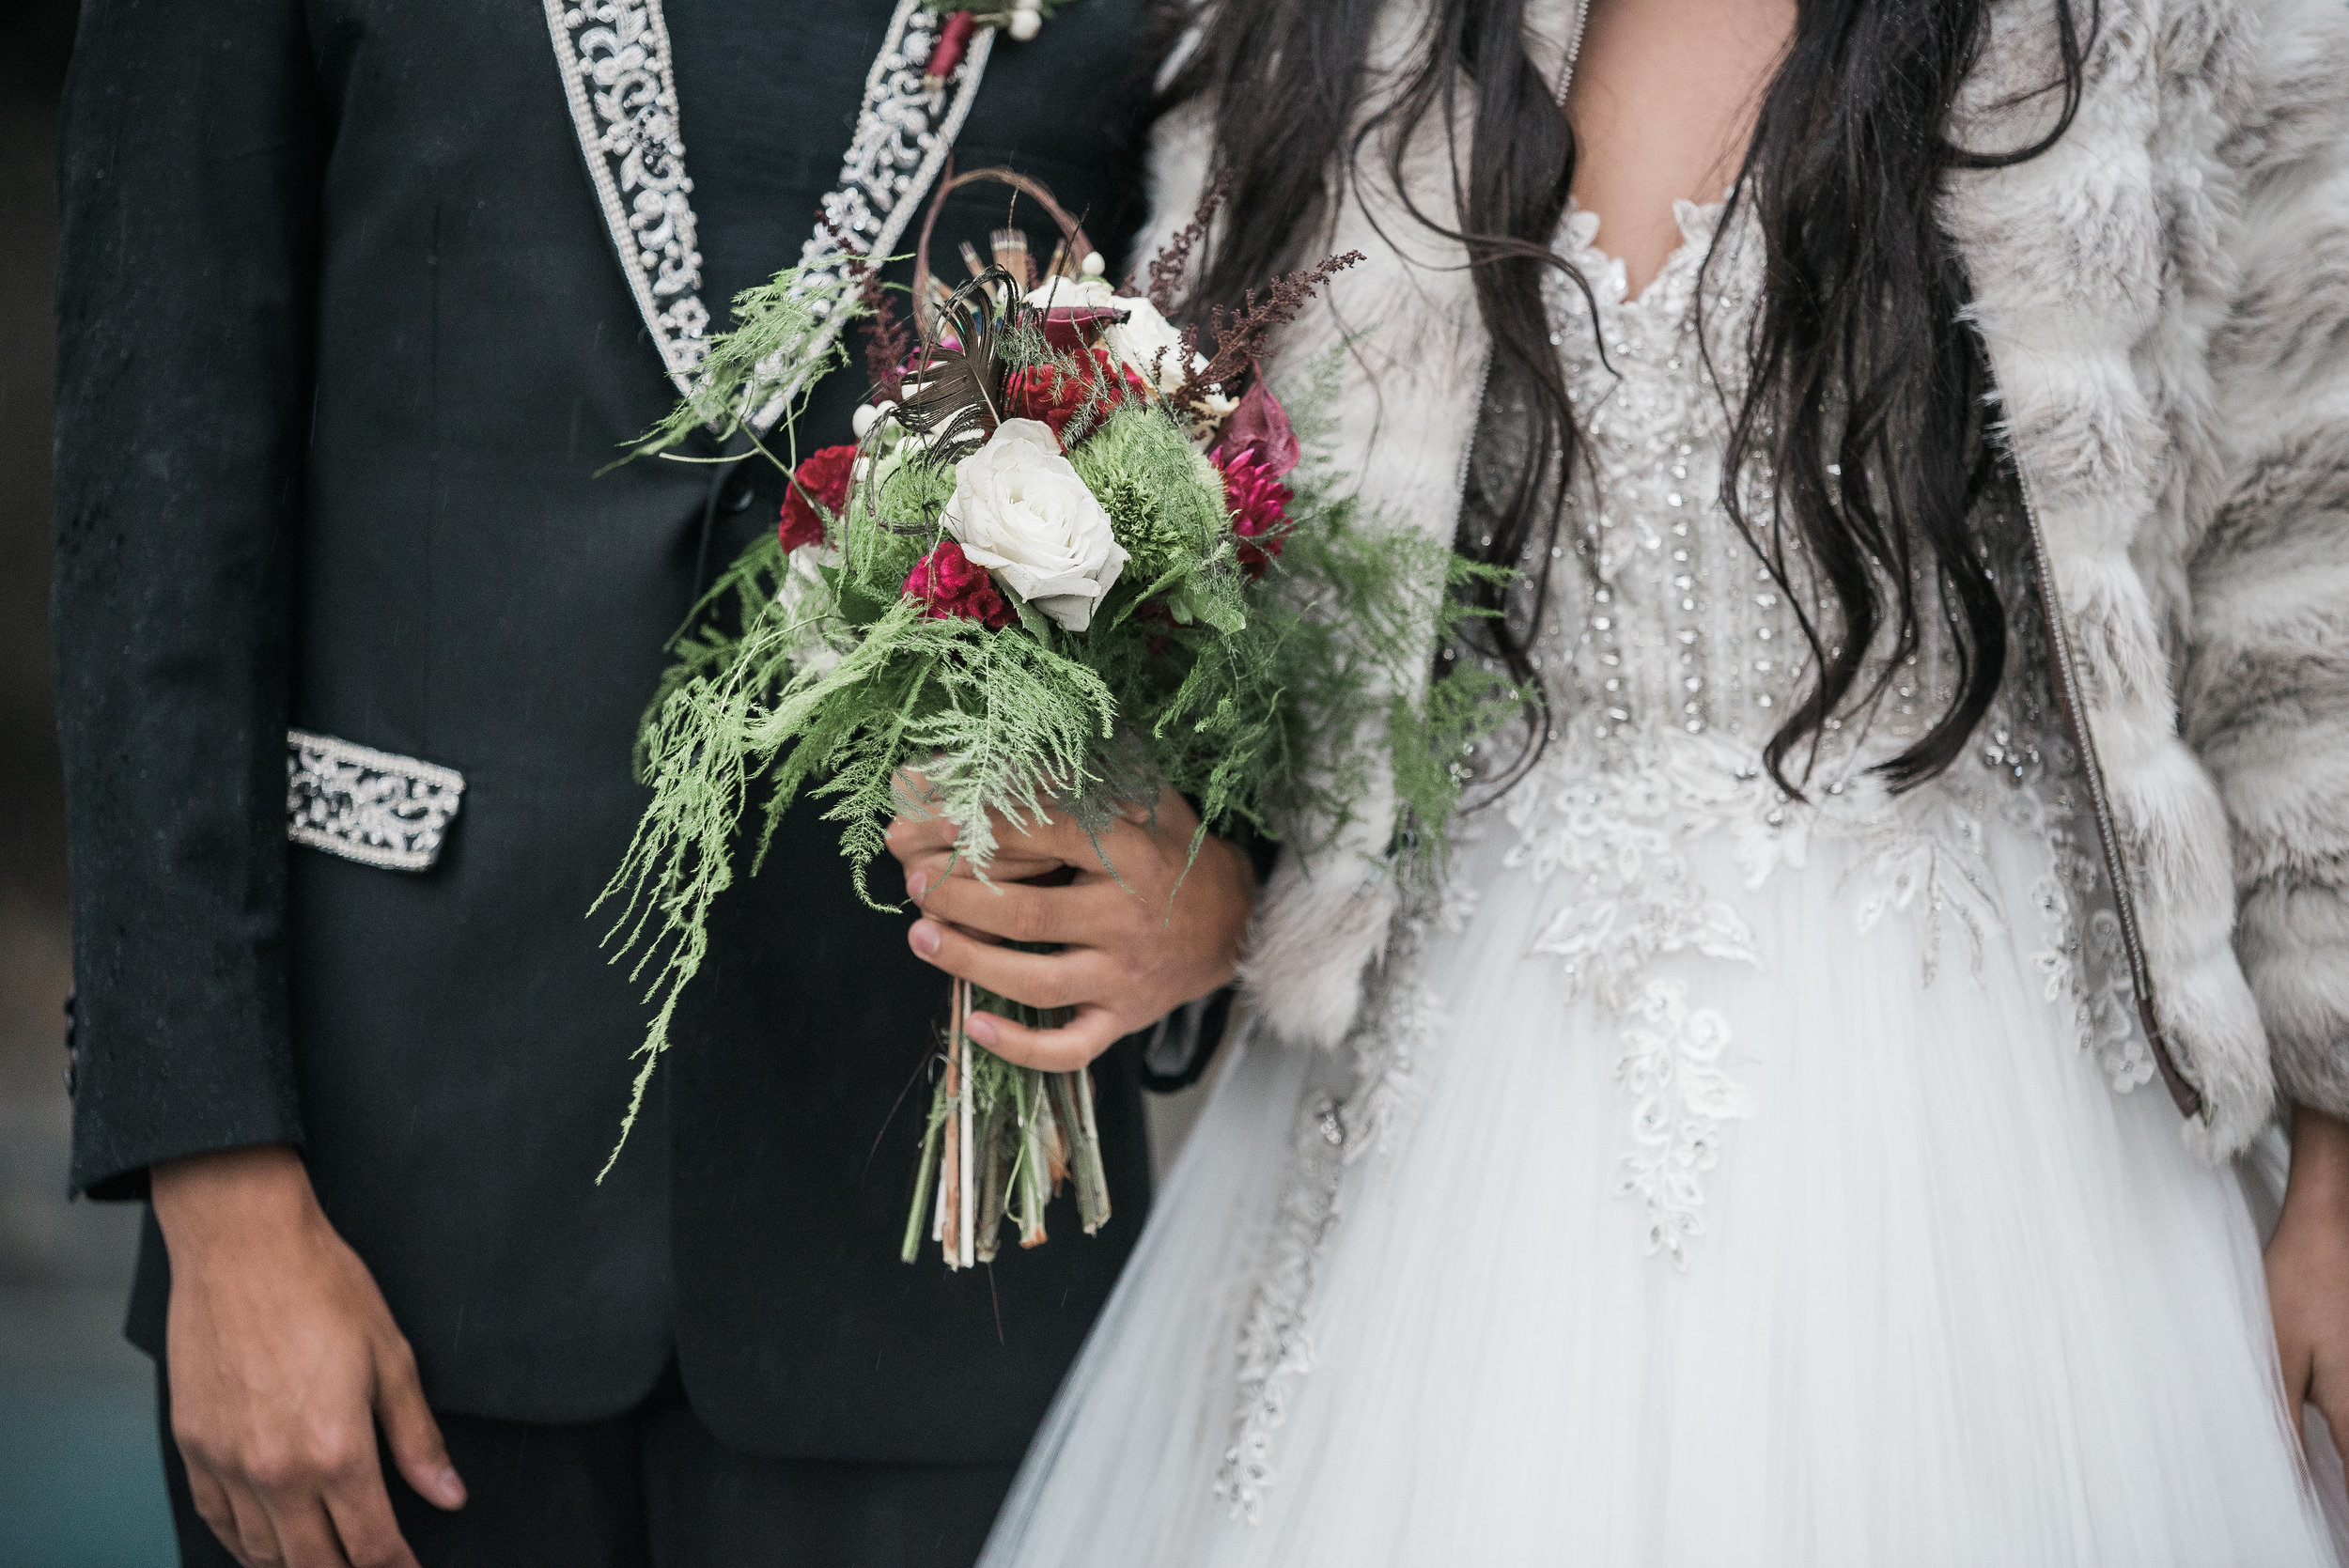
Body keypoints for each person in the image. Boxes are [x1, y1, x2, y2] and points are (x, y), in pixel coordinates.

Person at [898, 0, 2349, 1560]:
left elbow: (2302, 546)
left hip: (1994, 1106)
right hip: (1445, 1115)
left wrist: (2339, 1150)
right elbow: (1216, 507)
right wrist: (1188, 856)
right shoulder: (1321, 32)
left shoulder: (2170, 25)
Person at [51, 1, 1254, 1563]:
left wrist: (1229, 882)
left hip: (949, 1231)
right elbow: (154, 501)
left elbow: (1340, 417)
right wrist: (216, 1190)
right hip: (373, 1224)